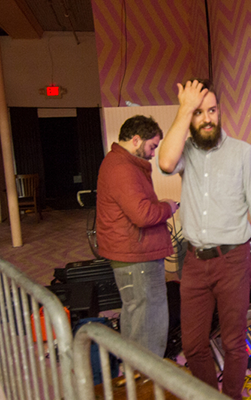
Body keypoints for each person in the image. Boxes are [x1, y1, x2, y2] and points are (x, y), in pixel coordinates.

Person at [158, 79, 251, 400]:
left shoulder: (242, 152)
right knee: (193, 345)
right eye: (198, 113)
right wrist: (184, 109)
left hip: (233, 260)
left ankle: (232, 395)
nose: (207, 118)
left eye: (212, 110)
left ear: (220, 111)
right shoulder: (185, 152)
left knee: (234, 343)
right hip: (194, 262)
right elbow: (165, 163)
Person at [96, 115, 179, 358]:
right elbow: (142, 215)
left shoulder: (118, 163)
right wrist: (168, 208)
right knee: (148, 320)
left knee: (136, 314)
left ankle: (133, 369)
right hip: (137, 257)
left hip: (132, 253)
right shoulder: (123, 168)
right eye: (152, 147)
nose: (153, 154)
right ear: (135, 140)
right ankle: (147, 374)